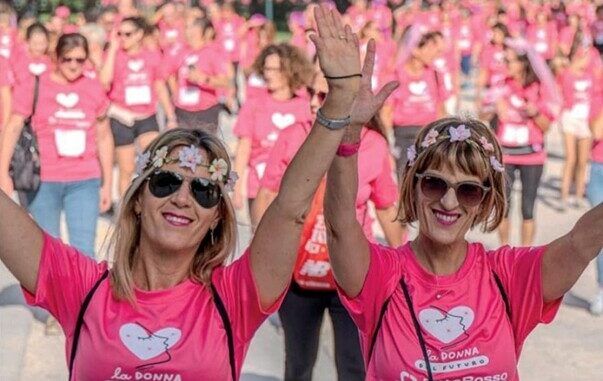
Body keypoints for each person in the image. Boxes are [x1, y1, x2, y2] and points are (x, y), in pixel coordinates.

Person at [0, 4, 365, 379]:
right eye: (167, 182)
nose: (182, 197)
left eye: (205, 191)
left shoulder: (233, 299)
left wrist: (337, 102)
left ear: (215, 219)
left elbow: (290, 207)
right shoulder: (82, 288)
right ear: (139, 198)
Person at [322, 114, 603, 380]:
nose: (449, 202)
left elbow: (579, 244)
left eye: (468, 190)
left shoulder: (508, 276)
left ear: (483, 202)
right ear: (413, 185)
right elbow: (339, 227)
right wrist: (348, 132)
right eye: (434, 184)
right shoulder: (382, 276)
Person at [253, 59, 403, 381]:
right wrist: (262, 255)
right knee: (298, 366)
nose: (311, 102)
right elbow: (266, 197)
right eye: (311, 92)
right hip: (296, 274)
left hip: (351, 277)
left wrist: (404, 267)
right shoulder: (292, 136)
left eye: (323, 96)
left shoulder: (373, 144)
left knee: (353, 368)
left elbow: (387, 208)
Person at [0, 32, 113, 258]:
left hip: (84, 180)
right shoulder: (35, 85)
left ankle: (83, 295)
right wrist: (2, 172)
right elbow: (12, 127)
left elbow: (104, 136)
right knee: (48, 254)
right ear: (56, 58)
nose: (73, 65)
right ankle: (51, 295)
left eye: (80, 60)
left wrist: (107, 183)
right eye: (67, 59)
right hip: (44, 181)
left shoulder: (93, 87)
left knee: (84, 253)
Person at [232, 43, 314, 226]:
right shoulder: (254, 103)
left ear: (290, 71)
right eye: (267, 68)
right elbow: (243, 148)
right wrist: (236, 188)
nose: (269, 74)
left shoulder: (306, 105)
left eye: (276, 69)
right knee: (259, 244)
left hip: (292, 190)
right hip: (258, 188)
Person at [100, 16, 177, 196]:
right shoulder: (114, 55)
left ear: (139, 34)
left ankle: (151, 203)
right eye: (119, 34)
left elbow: (159, 85)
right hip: (121, 116)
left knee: (155, 161)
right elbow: (104, 81)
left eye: (127, 34)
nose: (123, 38)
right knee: (126, 169)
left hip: (146, 116)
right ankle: (124, 210)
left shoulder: (151, 56)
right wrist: (112, 49)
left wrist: (171, 116)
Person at [496, 41, 558, 246]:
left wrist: (535, 112)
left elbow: (547, 126)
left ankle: (525, 253)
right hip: (505, 154)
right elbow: (482, 112)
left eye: (509, 60)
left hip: (532, 155)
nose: (505, 64)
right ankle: (503, 252)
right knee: (503, 206)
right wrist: (493, 108)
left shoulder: (538, 88)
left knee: (528, 208)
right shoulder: (501, 84)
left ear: (523, 63)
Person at [167, 17, 231, 132]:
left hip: (206, 111)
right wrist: (175, 93)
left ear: (203, 32)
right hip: (183, 111)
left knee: (204, 148)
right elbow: (169, 74)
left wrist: (205, 78)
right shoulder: (181, 52)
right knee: (183, 149)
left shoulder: (212, 53)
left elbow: (226, 82)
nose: (189, 32)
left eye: (193, 29)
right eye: (187, 28)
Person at [557, 37, 599, 209]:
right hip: (570, 118)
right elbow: (562, 82)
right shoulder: (567, 73)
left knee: (583, 161)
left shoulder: (591, 76)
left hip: (585, 120)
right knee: (570, 158)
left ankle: (579, 195)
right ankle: (564, 196)